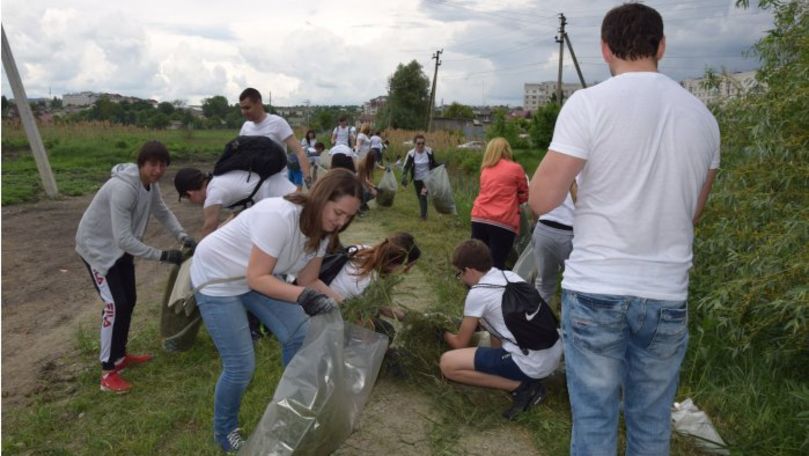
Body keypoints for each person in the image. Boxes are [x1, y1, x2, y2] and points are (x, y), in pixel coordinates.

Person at [527, 4, 720, 454]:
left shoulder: (588, 105)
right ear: (662, 47)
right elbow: (692, 214)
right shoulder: (703, 119)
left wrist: (580, 187)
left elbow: (540, 200)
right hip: (667, 293)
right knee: (651, 424)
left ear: (605, 48)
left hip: (597, 287)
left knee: (594, 420)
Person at [190, 168, 363, 452]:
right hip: (217, 278)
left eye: (348, 217)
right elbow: (258, 278)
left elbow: (309, 280)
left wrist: (345, 305)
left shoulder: (321, 232)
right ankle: (225, 431)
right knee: (240, 366)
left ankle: (290, 406)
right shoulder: (280, 216)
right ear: (322, 198)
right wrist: (303, 297)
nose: (340, 222)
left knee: (300, 333)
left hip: (256, 277)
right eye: (338, 212)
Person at [75, 141, 195, 393]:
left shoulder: (149, 186)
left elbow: (161, 211)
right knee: (114, 305)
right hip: (97, 249)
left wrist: (182, 236)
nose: (158, 170)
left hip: (119, 251)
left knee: (129, 301)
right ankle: (108, 372)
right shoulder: (123, 189)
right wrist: (164, 255)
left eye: (162, 165)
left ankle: (120, 356)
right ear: (141, 164)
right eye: (152, 164)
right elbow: (124, 238)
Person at [440, 239, 562, 420]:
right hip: (552, 352)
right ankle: (516, 374)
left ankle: (522, 387)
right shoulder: (509, 276)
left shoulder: (478, 293)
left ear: (470, 270)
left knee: (447, 364)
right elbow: (499, 329)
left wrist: (441, 331)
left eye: (459, 273)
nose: (460, 279)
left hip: (531, 364)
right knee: (488, 349)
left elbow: (460, 343)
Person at [173, 167, 296, 239]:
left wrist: (196, 250)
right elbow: (236, 216)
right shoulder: (218, 179)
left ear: (190, 193)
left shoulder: (213, 194)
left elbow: (208, 232)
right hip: (283, 191)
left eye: (187, 198)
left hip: (283, 199)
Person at [470, 138, 528, 269]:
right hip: (502, 221)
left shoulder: (485, 170)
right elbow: (524, 195)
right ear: (507, 150)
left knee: (477, 258)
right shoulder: (516, 168)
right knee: (497, 261)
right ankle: (494, 287)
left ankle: (474, 286)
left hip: (479, 218)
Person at [238, 87, 310, 184]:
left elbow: (299, 152)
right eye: (242, 108)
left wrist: (308, 182)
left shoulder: (278, 123)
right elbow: (239, 156)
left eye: (247, 108)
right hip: (253, 186)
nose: (243, 112)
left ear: (259, 103)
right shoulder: (246, 127)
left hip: (277, 184)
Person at [328, 232, 421, 301]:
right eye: (406, 268)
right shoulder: (368, 284)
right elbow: (366, 313)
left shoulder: (362, 249)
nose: (407, 272)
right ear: (393, 264)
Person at [532, 191, 575, 304]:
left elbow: (533, 199)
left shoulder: (551, 173)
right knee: (575, 283)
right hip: (568, 231)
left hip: (543, 227)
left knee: (543, 285)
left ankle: (537, 319)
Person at [401, 134, 439, 220]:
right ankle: (424, 212)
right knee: (420, 197)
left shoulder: (429, 151)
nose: (421, 145)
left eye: (423, 143)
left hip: (427, 179)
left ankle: (423, 216)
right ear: (415, 144)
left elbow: (433, 163)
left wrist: (442, 165)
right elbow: (406, 167)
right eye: (418, 143)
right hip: (416, 179)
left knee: (423, 195)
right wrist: (404, 176)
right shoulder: (411, 153)